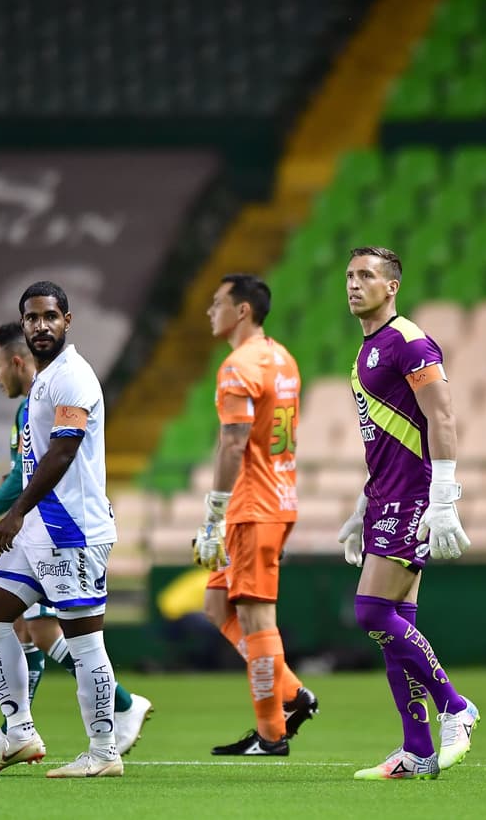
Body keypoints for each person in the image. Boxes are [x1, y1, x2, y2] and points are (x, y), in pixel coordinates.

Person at [0, 323, 152, 758]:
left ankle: (112, 729)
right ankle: (18, 731)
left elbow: (54, 458)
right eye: (32, 317)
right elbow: (26, 471)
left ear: (16, 360)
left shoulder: (66, 382)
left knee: (63, 635)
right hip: (38, 532)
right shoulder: (38, 395)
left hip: (67, 531)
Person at [335, 246, 477, 781]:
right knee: (398, 625)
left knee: (372, 612)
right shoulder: (366, 351)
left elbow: (442, 415)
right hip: (386, 496)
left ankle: (456, 706)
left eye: (366, 275)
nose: (354, 284)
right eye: (349, 275)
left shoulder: (409, 341)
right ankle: (417, 751)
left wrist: (443, 498)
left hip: (415, 495)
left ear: (391, 286)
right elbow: (385, 439)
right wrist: (361, 505)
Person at [193, 273, 318, 756]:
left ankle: (271, 734)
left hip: (253, 507)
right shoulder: (282, 357)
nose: (209, 311)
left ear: (242, 310)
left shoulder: (238, 366)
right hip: (279, 498)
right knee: (218, 605)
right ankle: (290, 694)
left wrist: (213, 516)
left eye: (217, 302)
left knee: (257, 618)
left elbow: (234, 443)